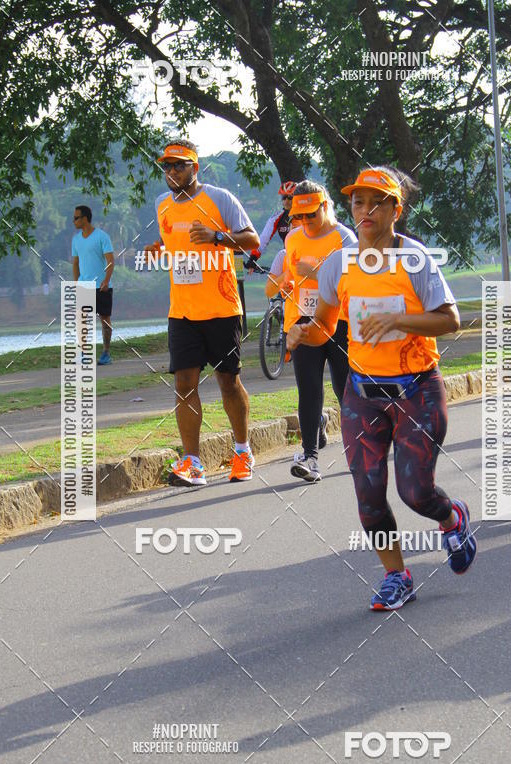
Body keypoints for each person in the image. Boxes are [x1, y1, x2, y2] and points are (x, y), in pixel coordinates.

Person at [286, 166, 477, 610]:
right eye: (357, 201)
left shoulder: (414, 259)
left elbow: (449, 320)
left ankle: (451, 519)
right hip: (362, 395)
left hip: (416, 391)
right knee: (369, 495)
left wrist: (398, 319)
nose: (365, 210)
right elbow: (324, 326)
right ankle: (397, 575)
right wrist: (301, 332)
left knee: (416, 493)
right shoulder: (340, 263)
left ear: (396, 209)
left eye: (376, 202)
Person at [145, 139, 260, 486]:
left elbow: (252, 240)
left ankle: (242, 451)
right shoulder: (162, 204)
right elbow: (175, 241)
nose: (171, 172)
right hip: (182, 311)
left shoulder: (220, 198)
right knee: (183, 384)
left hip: (221, 308)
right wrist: (159, 249)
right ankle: (192, 462)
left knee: (228, 381)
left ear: (195, 168)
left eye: (178, 165)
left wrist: (217, 236)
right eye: (166, 166)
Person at [266, 180, 357, 481]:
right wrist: (288, 281)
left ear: (326, 206)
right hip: (302, 321)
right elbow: (289, 273)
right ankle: (310, 458)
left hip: (339, 321)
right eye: (298, 217)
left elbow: (356, 284)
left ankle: (360, 449)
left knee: (345, 388)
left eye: (310, 215)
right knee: (308, 389)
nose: (304, 223)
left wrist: (317, 273)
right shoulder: (293, 238)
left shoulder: (346, 239)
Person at [71, 205, 115, 365]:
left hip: (102, 286)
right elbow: (75, 264)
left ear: (85, 219)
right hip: (84, 286)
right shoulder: (75, 240)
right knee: (82, 320)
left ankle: (106, 353)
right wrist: (76, 284)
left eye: (76, 218)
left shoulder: (102, 237)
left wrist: (106, 280)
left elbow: (110, 261)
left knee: (104, 319)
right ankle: (83, 353)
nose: (73, 221)